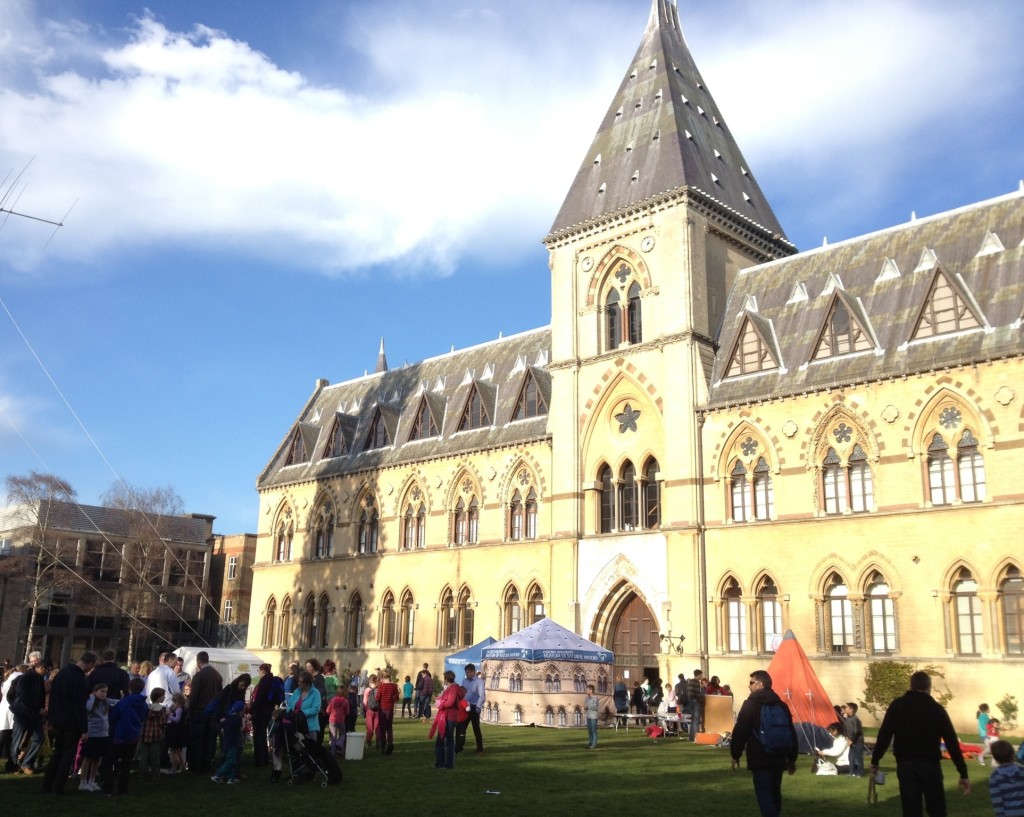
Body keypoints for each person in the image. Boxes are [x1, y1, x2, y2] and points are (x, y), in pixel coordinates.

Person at [870, 670, 971, 817]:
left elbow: (884, 735)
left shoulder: (897, 706)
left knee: (911, 809)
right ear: (929, 687)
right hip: (930, 764)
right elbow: (951, 742)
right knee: (936, 808)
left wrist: (875, 760)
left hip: (906, 764)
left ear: (910, 686)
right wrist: (963, 772)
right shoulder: (936, 709)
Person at [730, 669, 798, 817]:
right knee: (775, 791)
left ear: (760, 684)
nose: (749, 686)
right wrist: (792, 758)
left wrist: (735, 754)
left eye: (751, 683)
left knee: (764, 792)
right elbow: (791, 732)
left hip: (760, 754)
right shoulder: (781, 705)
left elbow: (741, 730)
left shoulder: (751, 704)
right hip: (779, 755)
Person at [42, 650, 96, 794]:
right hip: (71, 721)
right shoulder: (79, 679)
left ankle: (47, 784)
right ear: (90, 664)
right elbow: (79, 706)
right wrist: (84, 729)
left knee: (57, 752)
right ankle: (58, 786)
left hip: (58, 719)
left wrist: (50, 718)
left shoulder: (62, 673)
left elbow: (53, 697)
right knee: (67, 754)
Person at [102, 676, 149, 796]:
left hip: (120, 735)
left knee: (108, 761)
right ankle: (123, 789)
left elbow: (114, 716)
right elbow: (144, 717)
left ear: (129, 688)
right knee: (126, 763)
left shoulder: (125, 701)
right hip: (134, 735)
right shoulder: (143, 703)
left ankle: (108, 788)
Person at [9, 655, 47, 774]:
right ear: (41, 667)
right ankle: (13, 765)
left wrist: (41, 708)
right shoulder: (26, 677)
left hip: (34, 714)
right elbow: (24, 697)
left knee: (38, 738)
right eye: (46, 669)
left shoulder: (39, 679)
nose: (47, 672)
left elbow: (40, 696)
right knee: (17, 739)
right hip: (23, 713)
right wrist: (38, 709)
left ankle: (27, 763)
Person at [187, 650, 223, 774]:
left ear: (198, 661)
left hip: (199, 711)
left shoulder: (199, 676)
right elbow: (220, 694)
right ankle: (206, 764)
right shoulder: (217, 675)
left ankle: (195, 765)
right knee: (210, 739)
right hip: (212, 712)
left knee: (197, 739)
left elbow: (194, 696)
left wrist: (190, 709)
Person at [249, 663, 282, 768]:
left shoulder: (264, 681)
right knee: (263, 734)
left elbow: (259, 697)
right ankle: (265, 759)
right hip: (268, 711)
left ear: (262, 670)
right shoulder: (272, 679)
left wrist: (252, 710)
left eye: (258, 671)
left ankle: (259, 760)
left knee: (258, 735)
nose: (258, 673)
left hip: (260, 711)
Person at [432, 670, 466, 770]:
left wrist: (441, 704)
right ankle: (442, 763)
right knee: (445, 740)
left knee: (445, 741)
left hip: (449, 717)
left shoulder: (453, 688)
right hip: (448, 716)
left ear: (446, 679)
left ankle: (444, 764)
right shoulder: (453, 688)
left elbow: (450, 702)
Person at [79, 682, 109, 792]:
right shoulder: (91, 701)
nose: (104, 694)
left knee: (97, 759)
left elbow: (116, 702)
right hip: (92, 734)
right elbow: (88, 708)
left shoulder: (105, 703)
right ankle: (83, 782)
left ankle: (92, 780)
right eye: (101, 691)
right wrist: (92, 696)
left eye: (105, 692)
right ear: (95, 692)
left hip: (103, 734)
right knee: (88, 758)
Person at [211, 701, 245, 784]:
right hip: (233, 742)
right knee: (231, 760)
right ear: (240, 711)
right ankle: (218, 774)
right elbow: (241, 729)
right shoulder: (238, 719)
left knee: (228, 758)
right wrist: (244, 721)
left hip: (226, 741)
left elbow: (222, 729)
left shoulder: (227, 717)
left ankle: (231, 777)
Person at [455, 663, 486, 755]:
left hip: (474, 707)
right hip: (464, 707)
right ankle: (459, 749)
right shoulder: (464, 681)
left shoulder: (479, 682)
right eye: (466, 672)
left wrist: (478, 707)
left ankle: (479, 749)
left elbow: (482, 696)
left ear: (473, 672)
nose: (467, 674)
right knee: (461, 727)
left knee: (476, 729)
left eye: (468, 672)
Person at [988, 740, 1024, 817]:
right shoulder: (1022, 770)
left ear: (995, 757)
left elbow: (997, 799)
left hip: (1008, 812)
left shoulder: (995, 776)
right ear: (1013, 753)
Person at [138, 688, 167, 781]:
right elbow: (162, 722)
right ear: (158, 698)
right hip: (156, 734)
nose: (164, 697)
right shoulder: (162, 709)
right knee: (155, 756)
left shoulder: (147, 707)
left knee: (144, 756)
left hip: (145, 734)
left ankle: (142, 774)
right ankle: (155, 775)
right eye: (163, 696)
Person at [287, 671, 322, 742]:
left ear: (307, 683)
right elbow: (289, 704)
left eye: (301, 682)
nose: (298, 683)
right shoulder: (296, 691)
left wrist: (301, 714)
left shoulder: (316, 693)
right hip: (295, 726)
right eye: (298, 681)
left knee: (310, 749)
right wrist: (291, 713)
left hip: (310, 727)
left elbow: (316, 709)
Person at [375, 670, 399, 755]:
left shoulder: (381, 687)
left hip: (382, 709)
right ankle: (390, 743)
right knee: (389, 727)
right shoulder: (394, 686)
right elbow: (396, 698)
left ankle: (383, 745)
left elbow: (377, 698)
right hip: (390, 709)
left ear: (383, 677)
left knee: (382, 728)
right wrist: (392, 698)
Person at [164, 691, 188, 774]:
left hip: (175, 732)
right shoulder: (183, 708)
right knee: (177, 750)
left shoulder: (179, 709)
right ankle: (182, 767)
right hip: (179, 731)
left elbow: (177, 720)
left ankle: (173, 768)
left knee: (173, 751)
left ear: (176, 702)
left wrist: (169, 714)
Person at [841, 701, 865, 777]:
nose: (845, 709)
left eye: (847, 707)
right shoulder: (847, 718)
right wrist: (846, 736)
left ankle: (860, 773)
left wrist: (852, 740)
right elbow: (845, 729)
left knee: (858, 758)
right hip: (851, 741)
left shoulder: (855, 719)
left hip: (858, 741)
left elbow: (857, 731)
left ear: (851, 710)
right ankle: (852, 772)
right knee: (851, 757)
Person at [326, 686, 350, 756]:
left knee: (333, 737)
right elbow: (347, 712)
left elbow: (328, 710)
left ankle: (333, 753)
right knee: (342, 734)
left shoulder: (332, 700)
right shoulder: (346, 701)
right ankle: (338, 744)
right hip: (341, 720)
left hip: (332, 720)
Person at [687, 668, 705, 740]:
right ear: (697, 675)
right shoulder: (696, 682)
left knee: (693, 719)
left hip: (691, 701)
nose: (701, 677)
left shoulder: (690, 682)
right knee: (696, 720)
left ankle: (691, 736)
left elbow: (690, 693)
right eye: (701, 675)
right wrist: (702, 697)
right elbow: (698, 693)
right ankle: (695, 737)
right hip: (696, 701)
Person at [363, 674, 379, 750]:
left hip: (369, 711)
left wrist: (366, 710)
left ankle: (368, 742)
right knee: (377, 727)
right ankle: (378, 743)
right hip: (378, 711)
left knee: (370, 728)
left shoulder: (367, 690)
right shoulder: (378, 689)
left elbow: (364, 702)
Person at [584, 684, 600, 749]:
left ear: (591, 690)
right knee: (589, 730)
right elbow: (585, 706)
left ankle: (594, 744)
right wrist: (585, 708)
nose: (586, 691)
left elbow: (596, 707)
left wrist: (588, 706)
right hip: (588, 716)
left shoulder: (595, 698)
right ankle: (590, 743)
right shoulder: (586, 698)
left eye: (587, 690)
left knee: (593, 730)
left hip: (593, 717)